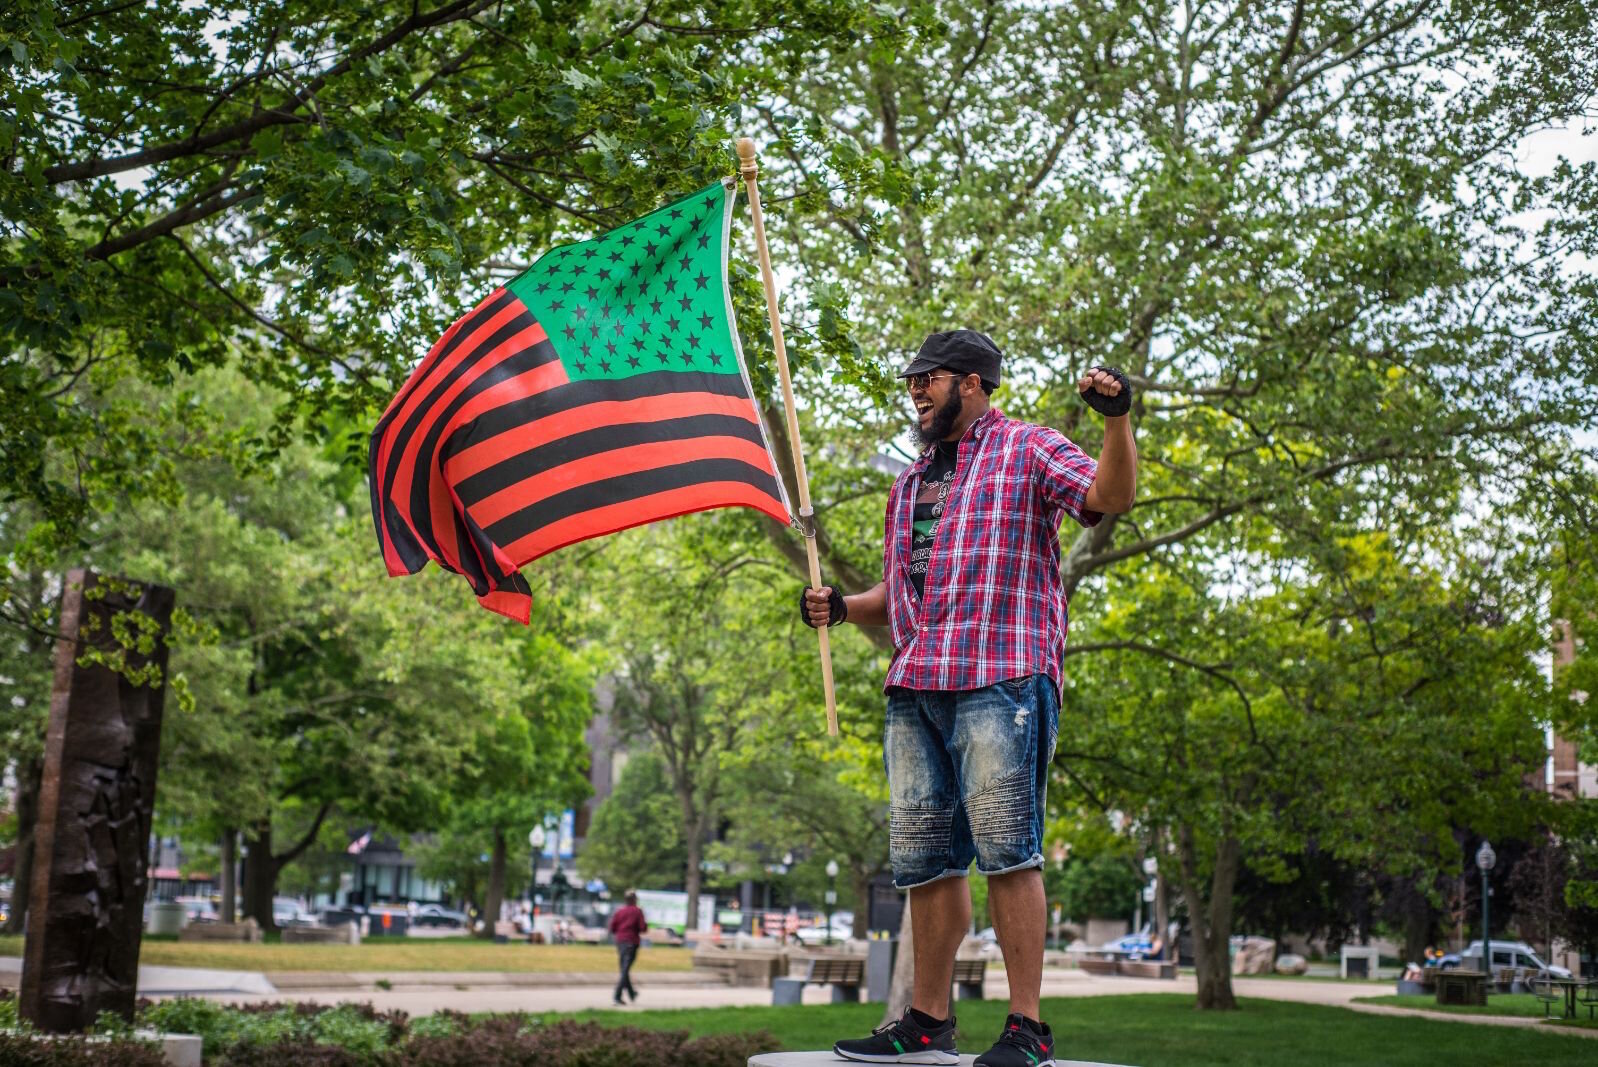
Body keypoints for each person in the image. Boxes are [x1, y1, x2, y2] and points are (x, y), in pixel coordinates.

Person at [803, 329, 1137, 1067]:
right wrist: (839, 603)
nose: (917, 389)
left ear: (976, 383)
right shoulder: (908, 482)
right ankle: (927, 1019)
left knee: (1007, 851)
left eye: (931, 377)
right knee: (926, 861)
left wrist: (1117, 418)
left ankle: (1027, 1028)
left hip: (1002, 673)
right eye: (914, 378)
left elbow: (1108, 496)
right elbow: (901, 594)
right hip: (918, 680)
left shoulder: (1028, 447)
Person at [607, 891, 647, 1006]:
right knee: (625, 969)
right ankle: (617, 996)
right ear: (634, 899)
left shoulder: (620, 911)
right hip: (631, 942)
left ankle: (631, 993)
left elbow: (613, 927)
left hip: (620, 942)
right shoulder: (637, 911)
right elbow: (642, 928)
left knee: (624, 968)